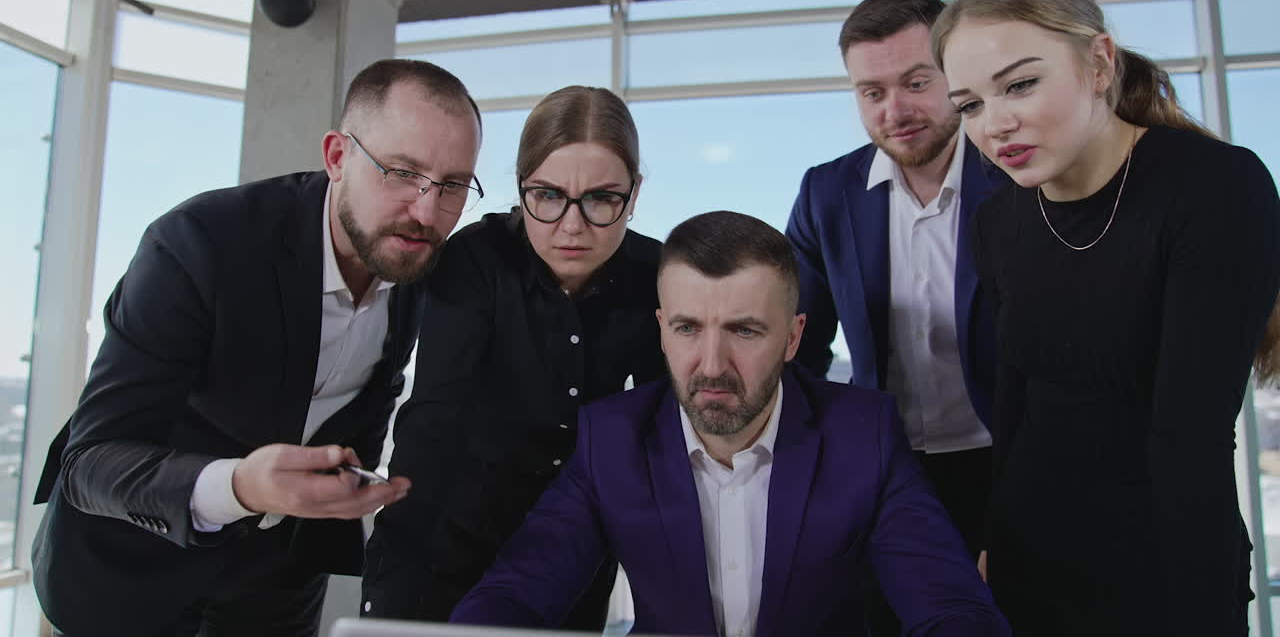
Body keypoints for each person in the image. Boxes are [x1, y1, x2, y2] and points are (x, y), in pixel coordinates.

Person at [31, 58, 484, 637]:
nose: (426, 211)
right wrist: (240, 485)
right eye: (400, 172)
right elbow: (89, 462)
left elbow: (364, 404)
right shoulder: (198, 244)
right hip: (126, 579)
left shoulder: (416, 263)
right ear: (338, 157)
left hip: (273, 597)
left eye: (451, 185)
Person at [450, 210, 1010, 637]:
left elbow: (948, 604)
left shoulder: (865, 436)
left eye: (744, 331)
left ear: (793, 337)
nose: (712, 366)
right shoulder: (611, 440)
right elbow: (517, 591)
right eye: (689, 328)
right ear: (661, 329)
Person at [933, 0, 1280, 636]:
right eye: (970, 104)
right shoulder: (997, 221)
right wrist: (998, 548)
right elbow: (1016, 406)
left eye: (1021, 85)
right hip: (1031, 567)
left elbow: (1192, 439)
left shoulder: (1213, 189)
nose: (993, 124)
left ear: (1098, 64)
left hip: (1164, 569)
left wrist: (1200, 613)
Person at [362, 86, 665, 628]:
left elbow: (659, 433)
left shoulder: (657, 276)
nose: (572, 226)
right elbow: (435, 425)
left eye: (601, 199)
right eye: (547, 196)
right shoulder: (474, 260)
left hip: (574, 549)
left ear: (634, 193)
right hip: (444, 541)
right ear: (521, 186)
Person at [785, 0, 1004, 633]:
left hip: (1008, 463)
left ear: (952, 76)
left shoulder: (1014, 176)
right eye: (871, 92)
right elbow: (801, 345)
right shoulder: (828, 194)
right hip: (889, 469)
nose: (896, 110)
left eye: (915, 82)